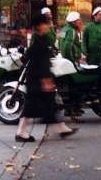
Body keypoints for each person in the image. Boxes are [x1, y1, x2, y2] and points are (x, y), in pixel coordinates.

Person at [15, 14, 77, 142]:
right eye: (45, 23)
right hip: (37, 78)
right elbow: (40, 60)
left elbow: (30, 56)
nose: (48, 25)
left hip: (37, 77)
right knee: (33, 105)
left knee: (48, 104)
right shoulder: (39, 40)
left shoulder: (40, 38)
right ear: (39, 26)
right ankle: (21, 132)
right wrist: (46, 79)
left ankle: (61, 128)